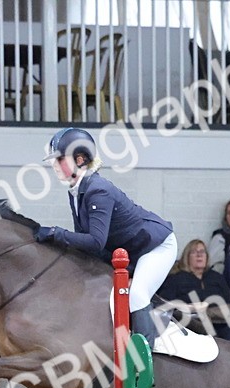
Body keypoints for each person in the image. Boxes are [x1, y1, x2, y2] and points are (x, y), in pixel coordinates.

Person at [34, 127, 177, 346]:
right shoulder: (75, 190)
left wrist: (56, 233)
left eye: (60, 159)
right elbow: (84, 242)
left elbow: (95, 241)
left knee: (137, 294)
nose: (54, 165)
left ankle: (146, 357)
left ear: (80, 159)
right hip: (128, 251)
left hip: (156, 247)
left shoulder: (97, 190)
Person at [158, 239, 230, 345]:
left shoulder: (217, 278)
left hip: (219, 323)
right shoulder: (175, 279)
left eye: (202, 251)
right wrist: (191, 308)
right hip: (191, 325)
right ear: (187, 257)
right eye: (194, 252)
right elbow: (165, 305)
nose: (199, 255)